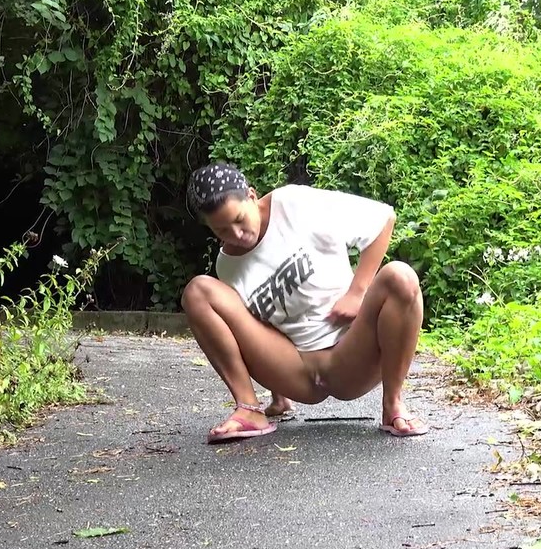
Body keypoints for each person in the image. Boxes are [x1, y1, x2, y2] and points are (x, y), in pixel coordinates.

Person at [180, 162, 429, 443]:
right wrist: (278, 394)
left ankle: (393, 404)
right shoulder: (227, 265)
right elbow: (259, 326)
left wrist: (357, 292)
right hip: (297, 373)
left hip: (350, 358)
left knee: (401, 276)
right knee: (198, 291)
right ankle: (249, 409)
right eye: (222, 230)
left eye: (239, 219)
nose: (237, 234)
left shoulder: (293, 203)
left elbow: (383, 218)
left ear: (251, 195)